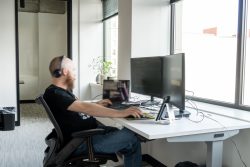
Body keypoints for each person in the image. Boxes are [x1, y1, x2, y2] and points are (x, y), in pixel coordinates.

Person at [43, 56, 143, 167]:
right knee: (131, 137)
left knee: (128, 135)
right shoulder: (55, 93)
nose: (75, 74)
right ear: (65, 71)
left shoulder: (60, 92)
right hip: (80, 142)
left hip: (86, 135)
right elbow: (84, 107)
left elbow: (79, 108)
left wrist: (96, 104)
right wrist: (122, 112)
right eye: (74, 70)